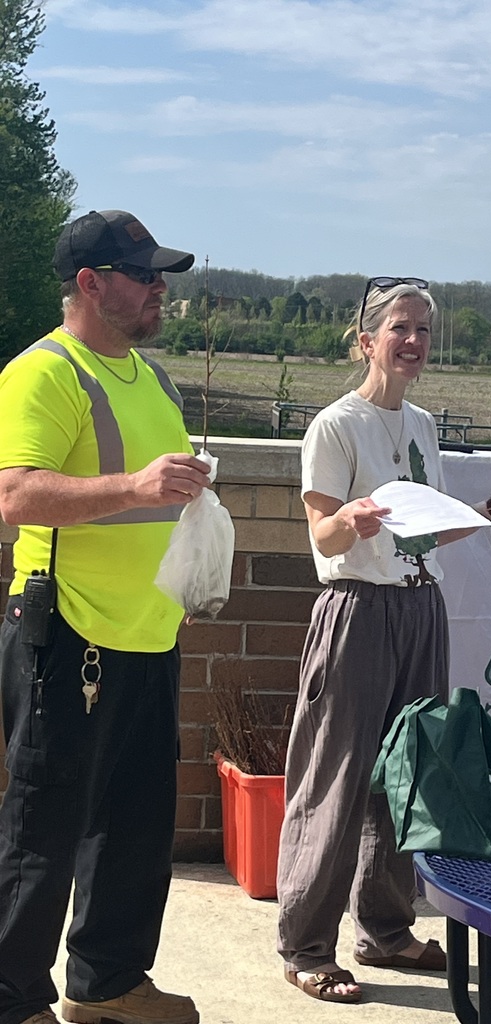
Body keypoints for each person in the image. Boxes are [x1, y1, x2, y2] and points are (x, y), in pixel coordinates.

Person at [276, 276, 491, 1004]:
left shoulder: (421, 426)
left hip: (419, 609)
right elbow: (320, 532)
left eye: (424, 331)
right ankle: (306, 945)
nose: (413, 342)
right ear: (365, 339)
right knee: (336, 778)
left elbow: (432, 524)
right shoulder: (335, 426)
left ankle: (384, 929)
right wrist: (353, 519)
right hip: (357, 612)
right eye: (400, 328)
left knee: (408, 779)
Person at [0, 210, 212, 1024]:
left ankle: (109, 985)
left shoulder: (151, 377)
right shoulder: (44, 373)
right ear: (90, 284)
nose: (161, 288)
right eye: (144, 274)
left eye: (161, 274)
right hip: (66, 637)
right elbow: (13, 497)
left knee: (134, 826)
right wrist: (137, 488)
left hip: (147, 634)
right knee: (39, 834)